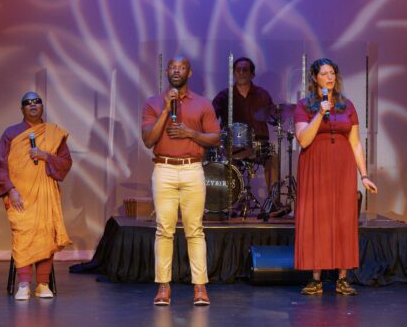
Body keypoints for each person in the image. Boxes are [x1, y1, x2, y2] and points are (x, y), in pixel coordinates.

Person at [292, 58, 378, 296]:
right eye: (324, 73)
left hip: (342, 167)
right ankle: (316, 278)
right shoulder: (304, 106)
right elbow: (304, 139)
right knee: (316, 218)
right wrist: (320, 113)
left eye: (332, 73)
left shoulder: (347, 106)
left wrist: (364, 174)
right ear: (315, 78)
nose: (329, 77)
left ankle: (342, 278)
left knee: (343, 217)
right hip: (314, 167)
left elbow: (356, 143)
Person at [142, 56, 221, 306]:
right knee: (164, 229)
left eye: (182, 68)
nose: (177, 71)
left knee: (194, 230)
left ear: (190, 72)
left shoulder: (203, 103)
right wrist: (167, 109)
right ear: (167, 71)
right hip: (164, 168)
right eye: (173, 68)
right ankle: (163, 287)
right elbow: (148, 140)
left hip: (191, 169)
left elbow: (215, 138)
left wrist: (190, 133)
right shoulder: (153, 103)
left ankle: (200, 288)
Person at [0, 92, 73, 300]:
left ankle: (43, 284)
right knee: (23, 232)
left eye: (37, 102)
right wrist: (11, 190)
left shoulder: (53, 134)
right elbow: (0, 166)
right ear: (21, 109)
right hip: (18, 195)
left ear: (42, 107)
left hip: (45, 195)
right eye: (28, 103)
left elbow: (65, 163)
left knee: (46, 233)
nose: (33, 106)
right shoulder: (10, 133)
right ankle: (23, 284)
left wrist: (45, 156)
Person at [212, 57, 278, 189]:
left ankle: (273, 203)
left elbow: (273, 118)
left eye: (245, 69)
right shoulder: (223, 96)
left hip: (258, 144)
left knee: (273, 157)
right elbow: (211, 118)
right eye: (238, 70)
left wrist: (277, 118)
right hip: (233, 146)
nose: (241, 72)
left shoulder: (263, 94)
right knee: (226, 163)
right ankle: (233, 203)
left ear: (252, 74)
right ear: (234, 73)